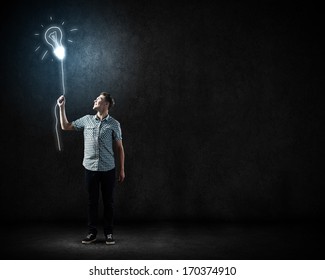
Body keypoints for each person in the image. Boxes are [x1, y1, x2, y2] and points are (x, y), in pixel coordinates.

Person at [57, 92, 125, 245]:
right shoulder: (87, 120)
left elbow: (119, 148)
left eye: (99, 99)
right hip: (90, 168)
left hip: (108, 169)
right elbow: (65, 126)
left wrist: (122, 169)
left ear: (106, 104)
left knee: (108, 202)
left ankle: (108, 233)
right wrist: (61, 108)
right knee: (92, 202)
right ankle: (92, 233)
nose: (95, 100)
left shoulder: (114, 124)